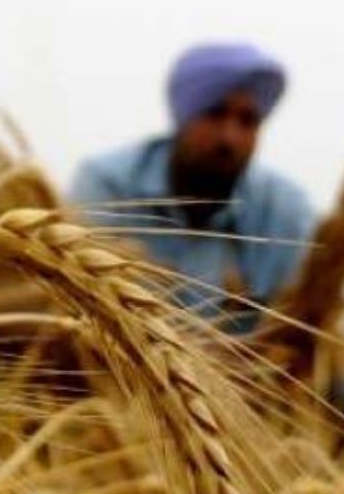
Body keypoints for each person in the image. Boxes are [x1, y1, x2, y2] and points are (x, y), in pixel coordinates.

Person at [69, 41, 316, 321]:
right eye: (215, 114)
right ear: (183, 117)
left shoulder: (286, 212)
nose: (229, 137)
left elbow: (293, 324)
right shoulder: (108, 184)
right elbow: (81, 306)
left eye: (247, 121)